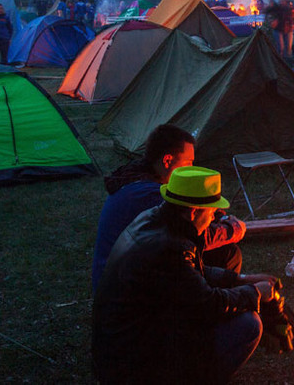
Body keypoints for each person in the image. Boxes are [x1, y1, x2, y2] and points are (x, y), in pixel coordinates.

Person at [93, 165, 276, 384]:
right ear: (193, 211)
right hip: (131, 363)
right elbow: (209, 306)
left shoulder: (155, 219)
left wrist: (239, 279)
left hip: (123, 343)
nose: (212, 220)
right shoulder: (169, 246)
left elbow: (187, 274)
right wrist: (254, 292)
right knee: (247, 325)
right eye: (211, 213)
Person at [92, 124, 246, 293]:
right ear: (167, 160)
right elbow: (194, 236)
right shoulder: (153, 195)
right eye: (188, 162)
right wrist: (232, 229)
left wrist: (216, 216)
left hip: (124, 272)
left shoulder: (137, 178)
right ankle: (210, 305)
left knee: (222, 253)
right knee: (227, 254)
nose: (192, 168)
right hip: (124, 286)